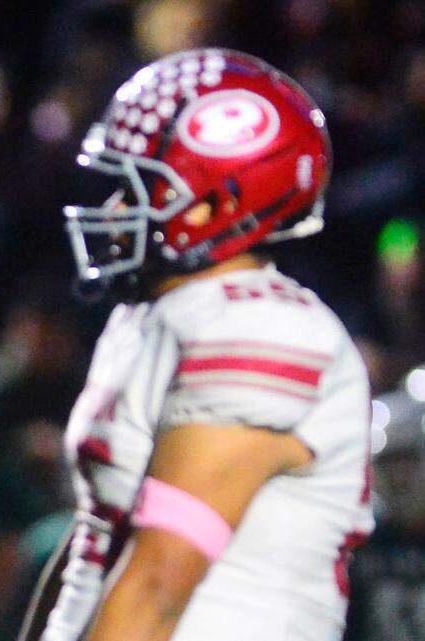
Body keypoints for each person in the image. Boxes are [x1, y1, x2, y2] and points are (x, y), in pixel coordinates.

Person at [18, 49, 372, 641]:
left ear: (214, 202)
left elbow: (160, 583)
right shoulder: (158, 314)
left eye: (138, 189)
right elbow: (96, 539)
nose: (114, 210)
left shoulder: (263, 329)